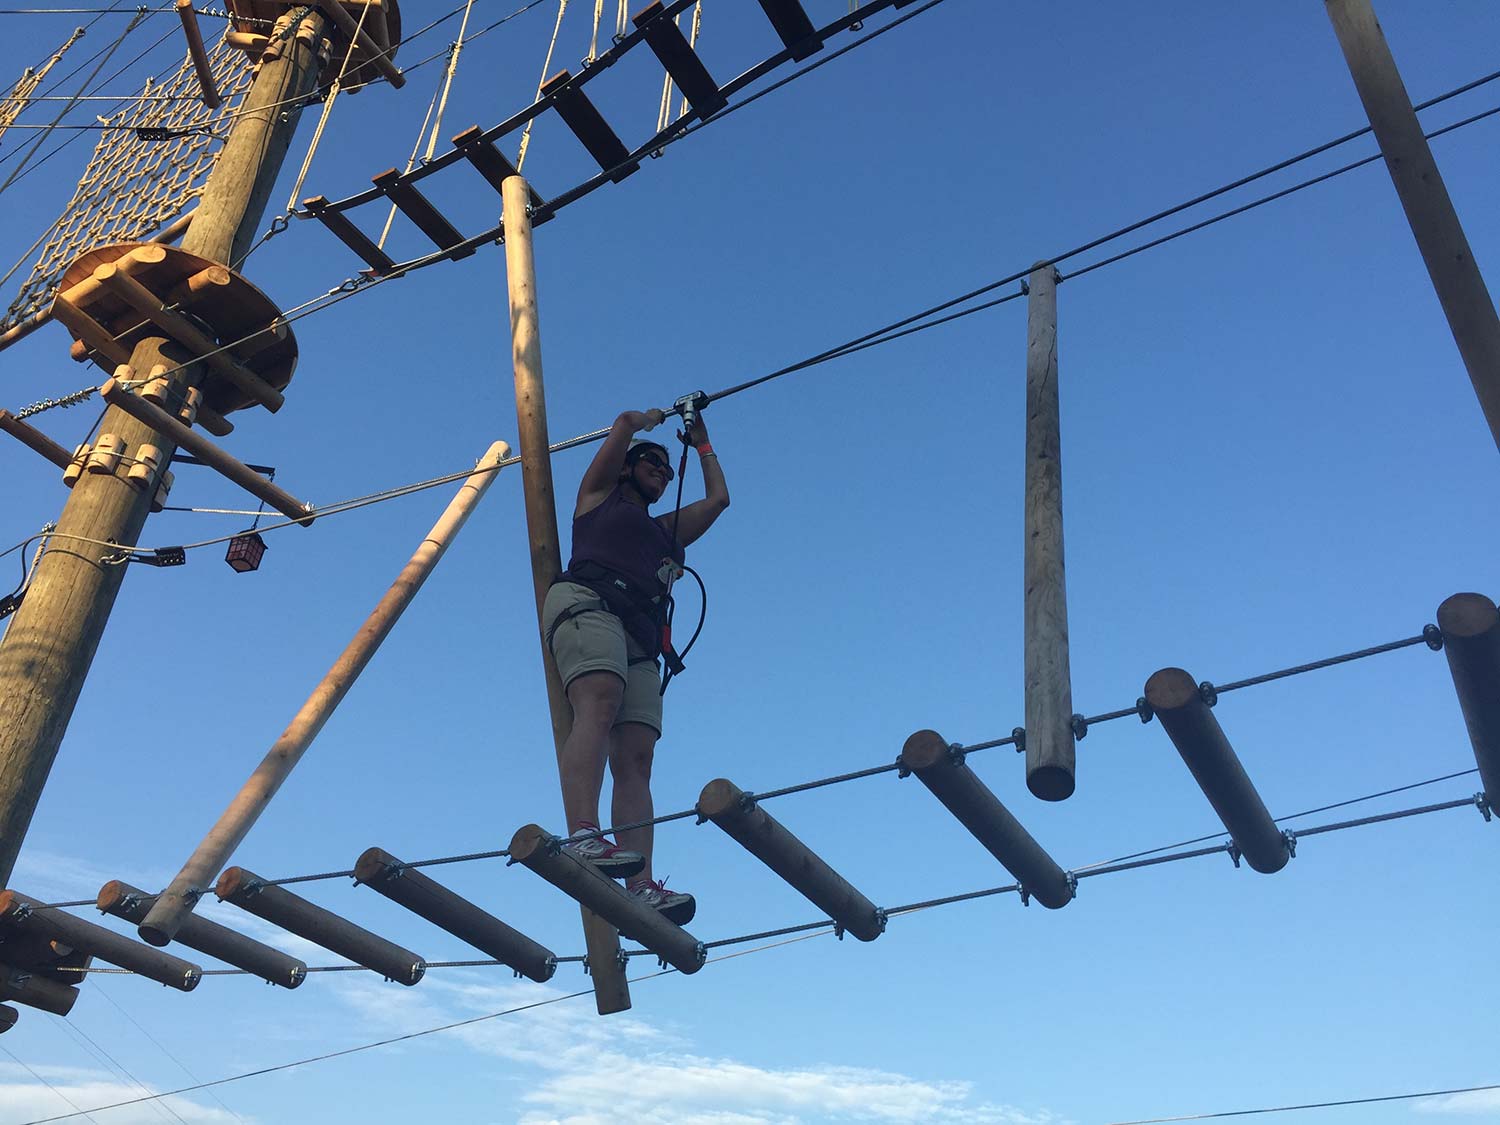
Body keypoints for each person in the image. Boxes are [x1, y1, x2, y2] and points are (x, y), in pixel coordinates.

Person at [541, 405, 729, 924]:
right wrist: (642, 423)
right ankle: (583, 833)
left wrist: (703, 444)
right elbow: (622, 426)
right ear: (628, 467)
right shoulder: (599, 499)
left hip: (642, 635)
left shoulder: (666, 530)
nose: (663, 473)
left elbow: (718, 500)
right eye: (653, 464)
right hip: (591, 602)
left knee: (638, 756)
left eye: (668, 470)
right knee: (599, 703)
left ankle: (641, 882)